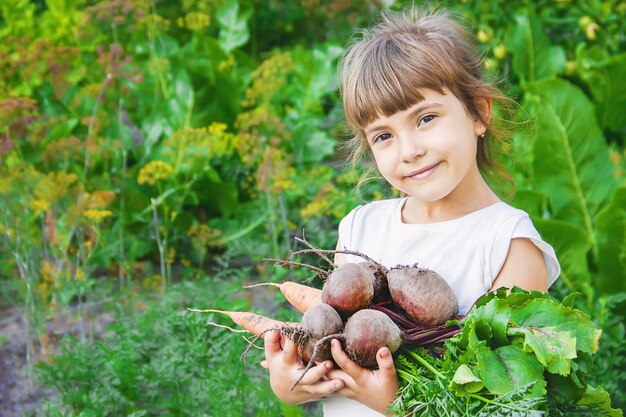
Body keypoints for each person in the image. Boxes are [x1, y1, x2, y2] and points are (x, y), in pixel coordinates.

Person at [262, 7, 561, 416]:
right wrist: (293, 381)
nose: (409, 150)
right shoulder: (361, 228)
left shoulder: (508, 244)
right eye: (384, 135)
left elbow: (503, 403)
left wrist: (396, 406)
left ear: (480, 113)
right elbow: (329, 345)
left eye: (425, 118)